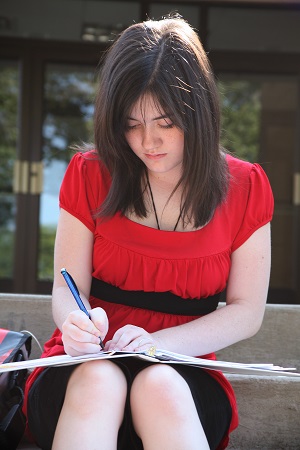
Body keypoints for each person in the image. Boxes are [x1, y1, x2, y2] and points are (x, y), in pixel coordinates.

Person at [23, 15, 274, 450]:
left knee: (160, 386)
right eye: (131, 124)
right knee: (100, 380)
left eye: (166, 122)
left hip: (181, 367)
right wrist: (75, 323)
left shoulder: (246, 187)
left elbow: (246, 312)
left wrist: (156, 344)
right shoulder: (90, 174)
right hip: (85, 364)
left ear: (198, 114)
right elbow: (68, 288)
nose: (148, 142)